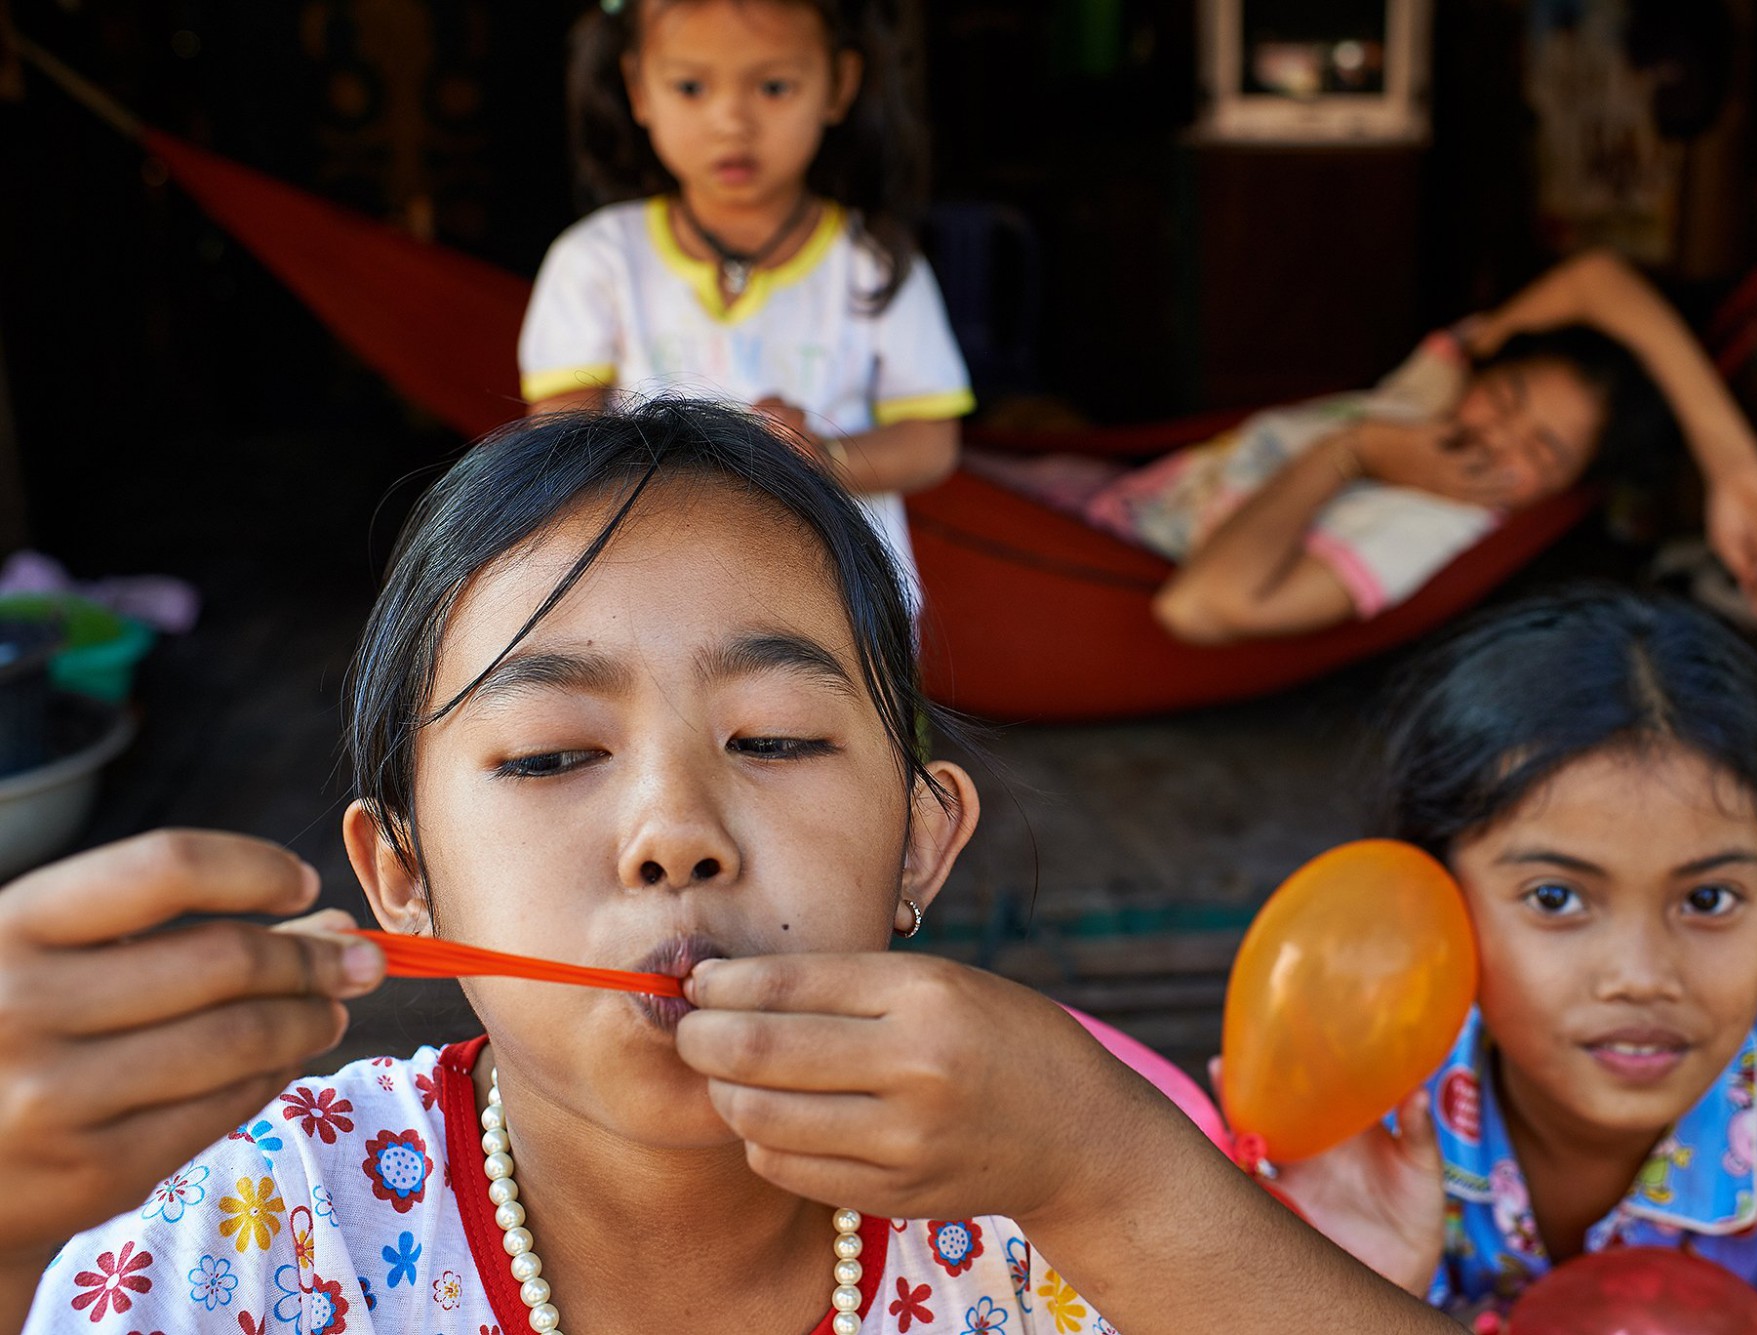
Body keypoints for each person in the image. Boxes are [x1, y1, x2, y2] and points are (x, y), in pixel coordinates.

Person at [0, 401, 1456, 1335]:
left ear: (922, 843)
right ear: (403, 878)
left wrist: (1115, 1175)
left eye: (772, 735)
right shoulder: (265, 1227)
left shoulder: (1064, 1209)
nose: (673, 827)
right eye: (550, 754)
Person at [1275, 587, 1757, 1330]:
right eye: (1555, 898)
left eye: (1707, 900)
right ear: (1436, 909)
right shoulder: (1359, 1108)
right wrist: (1352, 1298)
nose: (1640, 975)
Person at [1093, 251, 1757, 644]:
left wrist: (1356, 453)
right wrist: (1735, 464)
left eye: (1543, 449)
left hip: (1101, 559)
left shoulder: (1432, 525)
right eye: (1506, 397)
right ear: (1487, 366)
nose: (1497, 433)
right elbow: (1598, 281)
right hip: (1098, 489)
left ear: (1559, 495)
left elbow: (1196, 608)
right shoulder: (1439, 383)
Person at [518, 0, 970, 595]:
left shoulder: (874, 264)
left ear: (840, 84)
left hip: (838, 602)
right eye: (691, 87)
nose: (731, 120)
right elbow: (561, 432)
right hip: (653, 593)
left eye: (775, 86)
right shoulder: (598, 261)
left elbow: (932, 443)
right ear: (638, 88)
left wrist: (822, 459)